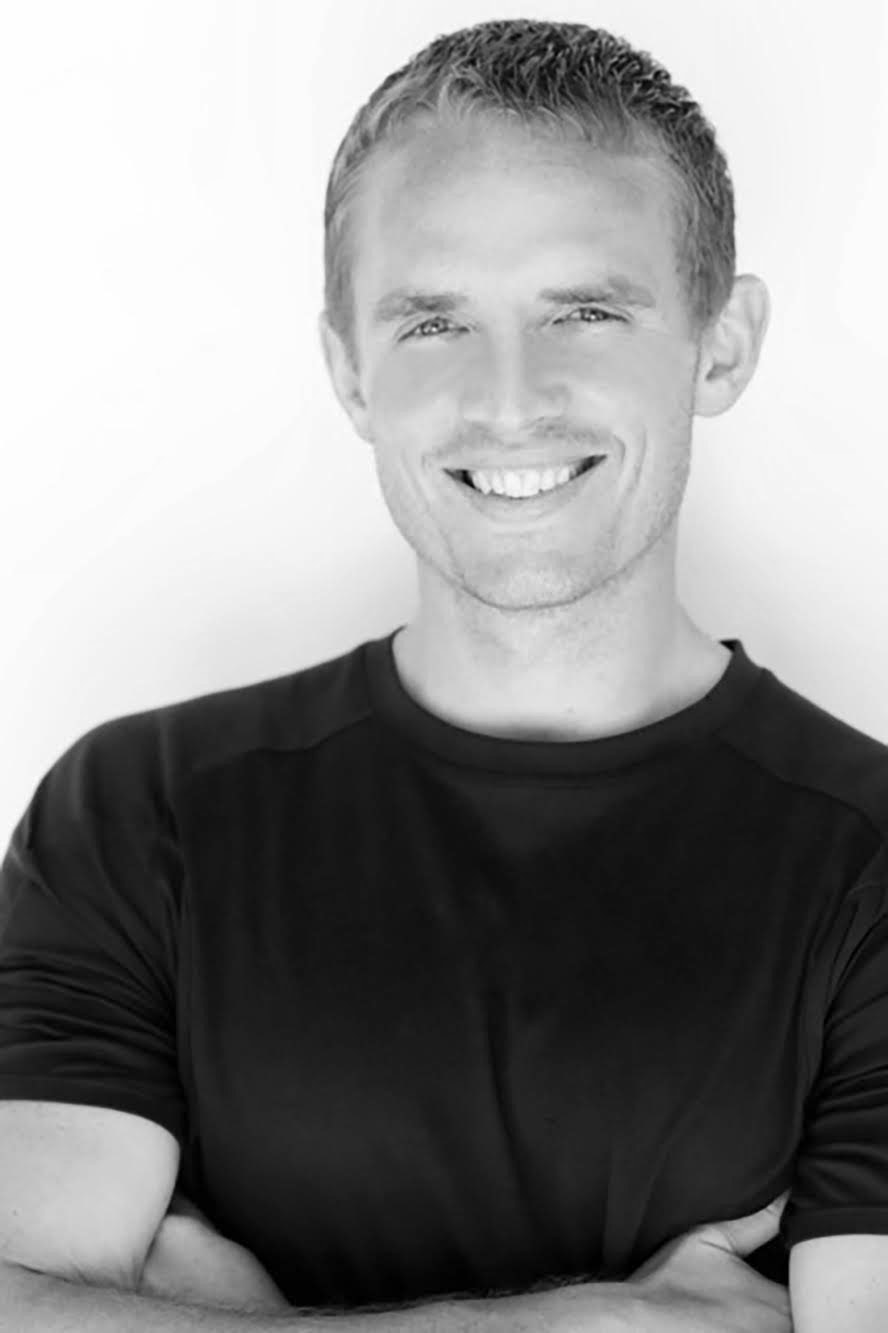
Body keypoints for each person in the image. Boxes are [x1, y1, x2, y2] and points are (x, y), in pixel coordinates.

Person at [1, 16, 887, 1332]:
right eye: (433, 323)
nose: (509, 400)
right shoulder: (142, 811)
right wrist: (577, 1325)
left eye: (585, 311)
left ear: (723, 343)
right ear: (350, 371)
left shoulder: (871, 861)